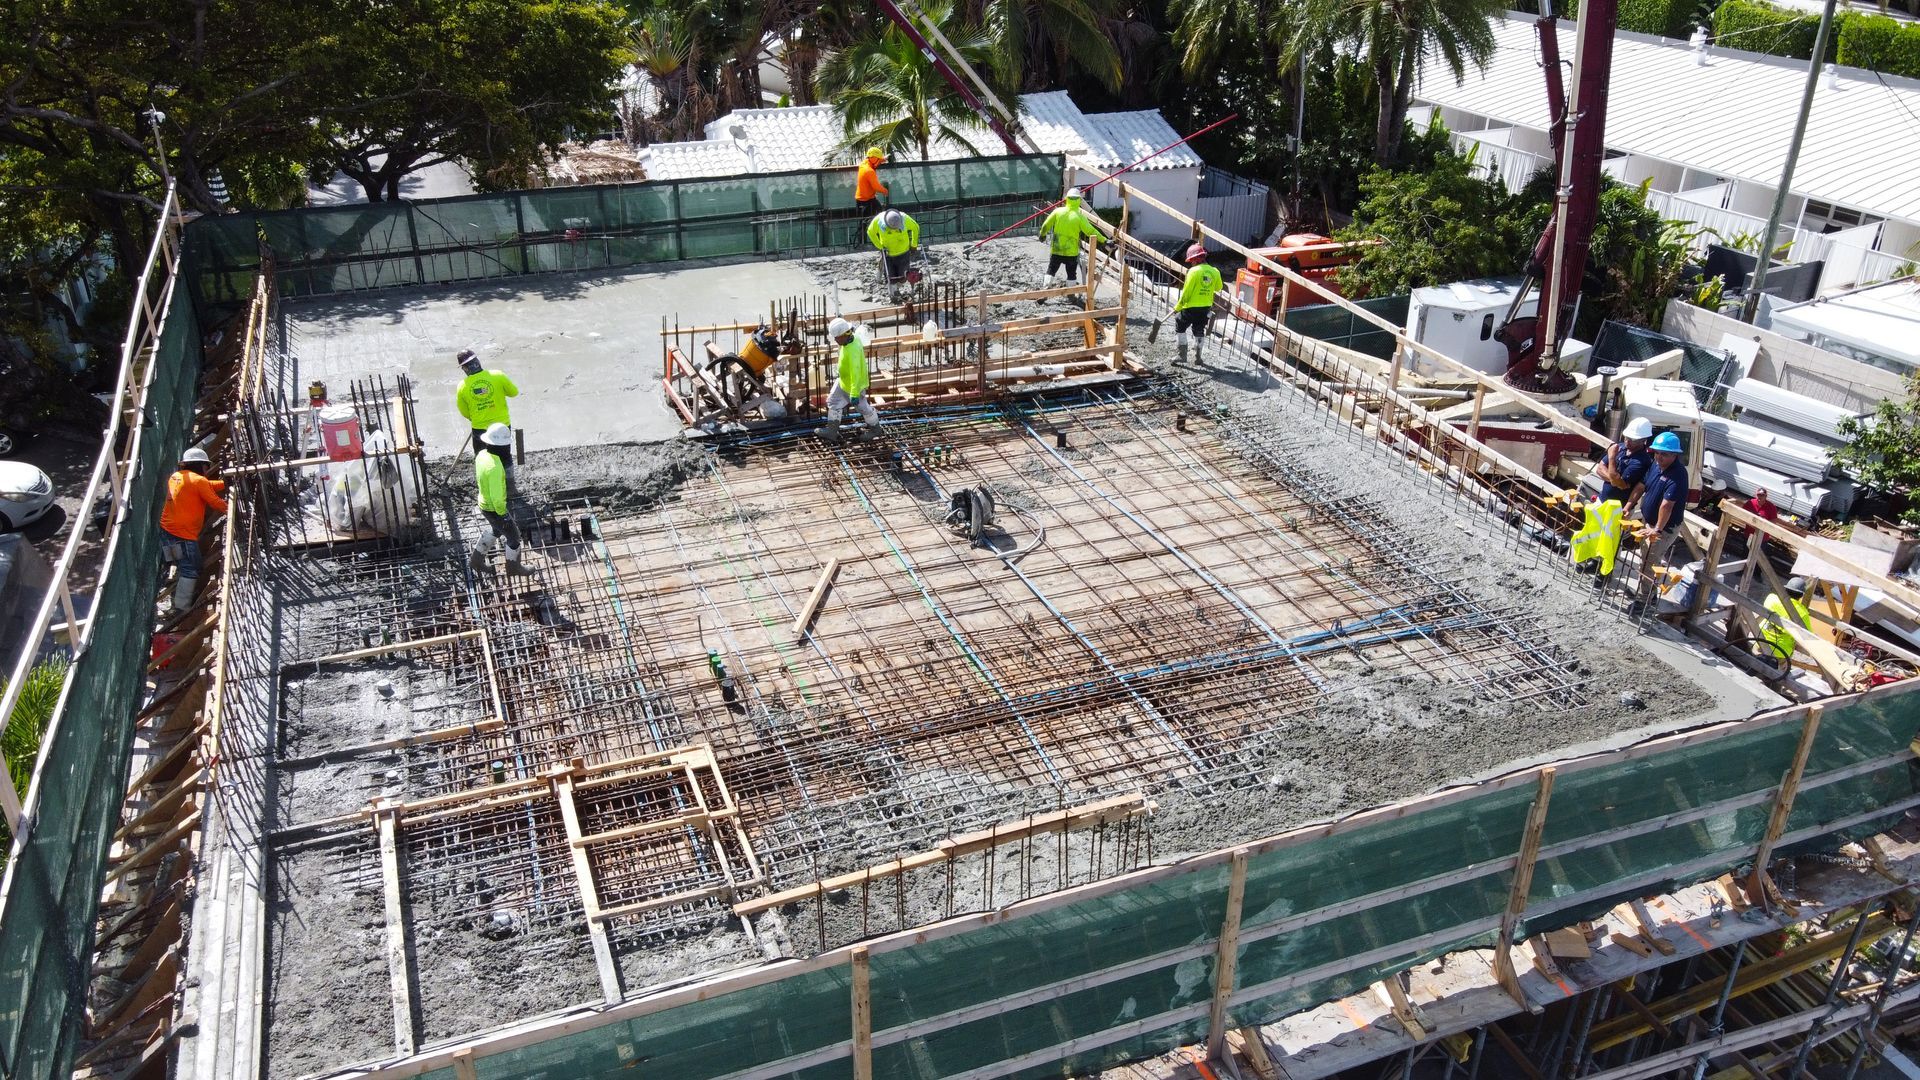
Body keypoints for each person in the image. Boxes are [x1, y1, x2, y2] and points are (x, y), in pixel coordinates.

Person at [160, 447, 227, 616]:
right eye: (205, 466)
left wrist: (224, 483)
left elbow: (203, 485)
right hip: (182, 536)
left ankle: (177, 596)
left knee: (180, 563)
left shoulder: (176, 477)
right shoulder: (198, 481)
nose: (206, 469)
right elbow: (214, 501)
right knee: (191, 568)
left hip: (167, 533)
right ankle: (181, 608)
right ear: (200, 465)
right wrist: (231, 509)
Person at [469, 423, 523, 573]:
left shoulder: (482, 454)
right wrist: (503, 515)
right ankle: (514, 568)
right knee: (514, 537)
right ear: (501, 446)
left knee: (496, 530)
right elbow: (497, 498)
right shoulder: (495, 467)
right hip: (494, 508)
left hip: (483, 503)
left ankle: (475, 561)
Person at [1637, 430, 1690, 582]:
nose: (1658, 457)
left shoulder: (1678, 474)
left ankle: (1646, 594)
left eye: (1664, 454)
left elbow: (1667, 505)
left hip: (1663, 528)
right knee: (1645, 557)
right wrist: (1629, 505)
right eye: (1657, 453)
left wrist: (1657, 530)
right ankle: (1644, 589)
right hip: (1650, 522)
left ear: (1674, 455)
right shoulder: (1656, 465)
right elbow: (1642, 485)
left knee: (1650, 563)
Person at [454, 349, 520, 465]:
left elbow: (464, 412)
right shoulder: (498, 375)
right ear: (477, 361)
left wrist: (476, 415)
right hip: (502, 425)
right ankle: (508, 477)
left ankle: (486, 477)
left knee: (483, 460)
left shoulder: (462, 386)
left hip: (479, 427)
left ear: (464, 368)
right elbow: (514, 392)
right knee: (505, 458)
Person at [821, 317, 878, 444]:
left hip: (854, 386)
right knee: (833, 401)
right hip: (843, 381)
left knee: (863, 408)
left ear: (844, 335)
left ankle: (876, 429)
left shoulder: (853, 350)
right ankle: (832, 431)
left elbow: (855, 374)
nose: (835, 340)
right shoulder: (850, 339)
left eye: (836, 337)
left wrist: (854, 393)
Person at [1038, 188, 1101, 287]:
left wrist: (1042, 235)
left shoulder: (1058, 211)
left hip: (1057, 249)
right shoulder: (1079, 217)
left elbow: (1046, 225)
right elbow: (1091, 231)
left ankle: (1046, 288)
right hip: (1071, 252)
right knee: (1071, 274)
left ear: (1067, 199)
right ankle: (1071, 292)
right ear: (1079, 200)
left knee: (1051, 270)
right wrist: (1105, 240)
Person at [1172, 242, 1222, 365]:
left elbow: (1186, 292)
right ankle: (1198, 357)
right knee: (1199, 329)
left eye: (1191, 261)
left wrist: (1178, 307)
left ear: (1195, 259)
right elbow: (1218, 287)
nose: (1191, 263)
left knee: (1180, 325)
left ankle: (1181, 355)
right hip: (1206, 308)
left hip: (1190, 307)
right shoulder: (1215, 271)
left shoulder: (1193, 271)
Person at [1758, 577, 1814, 674]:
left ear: (1786, 589)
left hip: (1760, 641)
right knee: (1780, 672)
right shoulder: (1802, 613)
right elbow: (1807, 636)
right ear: (1801, 595)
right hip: (1781, 652)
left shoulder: (1771, 598)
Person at [1596, 417, 1654, 506]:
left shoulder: (1641, 461)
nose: (1627, 441)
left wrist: (1612, 458)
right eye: (1627, 437)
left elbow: (1619, 483)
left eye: (1633, 439)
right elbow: (1599, 469)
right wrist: (1614, 480)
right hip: (1601, 500)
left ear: (1644, 440)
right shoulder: (1620, 447)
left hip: (1618, 508)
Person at [866, 209, 921, 295]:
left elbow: (915, 227)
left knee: (903, 277)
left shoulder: (904, 218)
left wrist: (914, 245)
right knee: (891, 277)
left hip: (903, 252)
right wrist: (880, 247)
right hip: (888, 254)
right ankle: (893, 293)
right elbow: (870, 232)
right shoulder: (879, 221)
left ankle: (898, 287)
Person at [854, 147, 888, 218]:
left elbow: (873, 161)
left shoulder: (863, 164)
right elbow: (876, 187)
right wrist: (885, 190)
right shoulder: (869, 171)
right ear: (874, 159)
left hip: (867, 198)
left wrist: (882, 159)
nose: (879, 163)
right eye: (879, 160)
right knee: (866, 221)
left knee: (879, 213)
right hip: (865, 201)